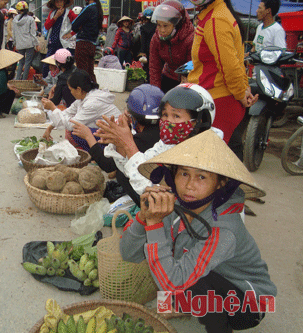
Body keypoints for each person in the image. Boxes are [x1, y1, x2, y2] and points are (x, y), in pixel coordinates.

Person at [120, 129, 276, 333]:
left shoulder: (225, 229)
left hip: (249, 302)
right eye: (184, 173)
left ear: (220, 183)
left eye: (201, 177)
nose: (189, 185)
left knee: (194, 282)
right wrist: (144, 218)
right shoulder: (174, 206)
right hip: (211, 277)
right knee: (182, 273)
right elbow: (129, 254)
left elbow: (172, 284)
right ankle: (188, 305)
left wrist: (156, 226)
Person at [97, 83, 220, 197]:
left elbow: (155, 190)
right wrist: (119, 144)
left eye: (176, 115)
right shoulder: (166, 144)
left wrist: (128, 144)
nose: (167, 121)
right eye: (165, 115)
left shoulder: (205, 150)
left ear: (199, 121)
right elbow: (138, 169)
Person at [71, 84, 163, 204]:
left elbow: (108, 165)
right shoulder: (161, 132)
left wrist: (89, 136)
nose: (125, 112)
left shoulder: (140, 140)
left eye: (127, 111)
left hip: (152, 197)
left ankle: (142, 206)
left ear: (133, 117)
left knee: (121, 174)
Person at [187, 0, 258, 154]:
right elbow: (237, 60)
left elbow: (230, 66)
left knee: (215, 162)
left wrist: (241, 94)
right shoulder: (214, 14)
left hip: (219, 102)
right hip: (215, 100)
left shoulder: (216, 20)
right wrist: (244, 90)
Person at [41, 69, 122, 150]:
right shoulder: (83, 98)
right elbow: (67, 113)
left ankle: (99, 152)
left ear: (79, 89)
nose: (71, 92)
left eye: (71, 90)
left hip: (115, 137)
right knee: (73, 129)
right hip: (107, 132)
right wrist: (50, 127)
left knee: (76, 131)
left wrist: (53, 108)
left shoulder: (92, 103)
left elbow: (72, 125)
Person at [149, 0, 194, 93]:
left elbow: (192, 63)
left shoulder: (190, 38)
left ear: (177, 24)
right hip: (168, 76)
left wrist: (186, 77)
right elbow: (154, 67)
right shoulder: (156, 38)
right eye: (158, 25)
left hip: (187, 78)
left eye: (166, 26)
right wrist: (156, 92)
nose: (161, 30)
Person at [66, 0, 103, 83]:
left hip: (83, 43)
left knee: (82, 72)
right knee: (90, 72)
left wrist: (79, 27)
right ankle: (94, 91)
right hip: (92, 44)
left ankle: (84, 93)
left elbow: (75, 24)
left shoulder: (89, 8)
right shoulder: (98, 9)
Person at [42, 0, 77, 78]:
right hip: (53, 42)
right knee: (47, 65)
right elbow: (47, 26)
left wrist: (71, 34)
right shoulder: (52, 13)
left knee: (65, 65)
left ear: (64, 2)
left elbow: (78, 24)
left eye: (60, 1)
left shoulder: (69, 13)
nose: (59, 3)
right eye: (56, 1)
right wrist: (56, 16)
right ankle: (46, 82)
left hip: (65, 43)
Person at [12, 1, 38, 80]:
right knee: (28, 63)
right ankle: (24, 80)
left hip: (20, 44)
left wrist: (15, 43)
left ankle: (17, 80)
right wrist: (36, 43)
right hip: (29, 44)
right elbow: (33, 33)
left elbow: (14, 33)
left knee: (21, 63)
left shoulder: (15, 20)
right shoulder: (30, 19)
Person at [138, 7, 156, 78]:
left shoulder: (143, 27)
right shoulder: (156, 26)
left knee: (146, 67)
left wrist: (142, 52)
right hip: (155, 49)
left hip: (147, 50)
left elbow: (143, 40)